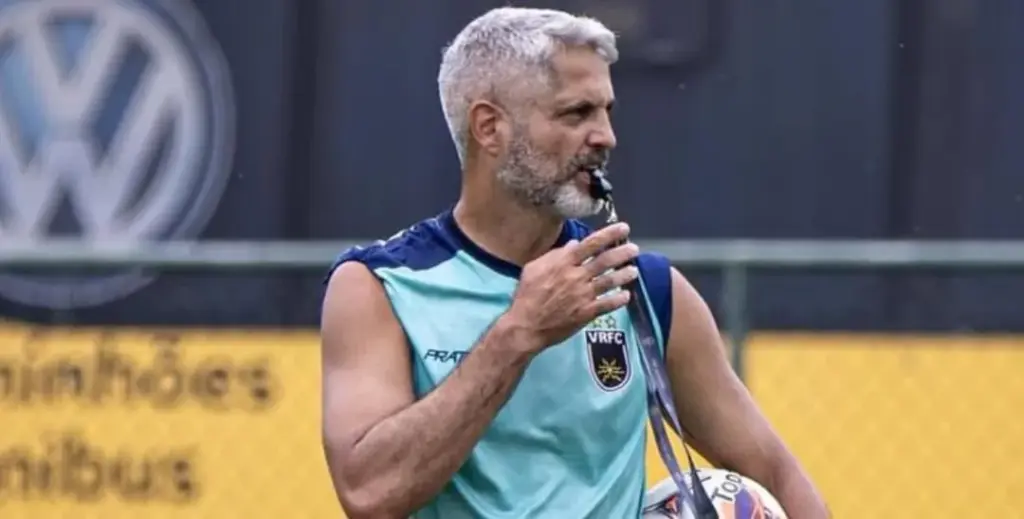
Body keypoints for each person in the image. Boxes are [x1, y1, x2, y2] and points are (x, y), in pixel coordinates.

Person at [320, 7, 829, 519]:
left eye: (606, 111)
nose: (605, 136)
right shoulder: (379, 286)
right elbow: (370, 494)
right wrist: (519, 332)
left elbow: (776, 473)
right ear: (489, 128)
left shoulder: (645, 289)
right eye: (576, 113)